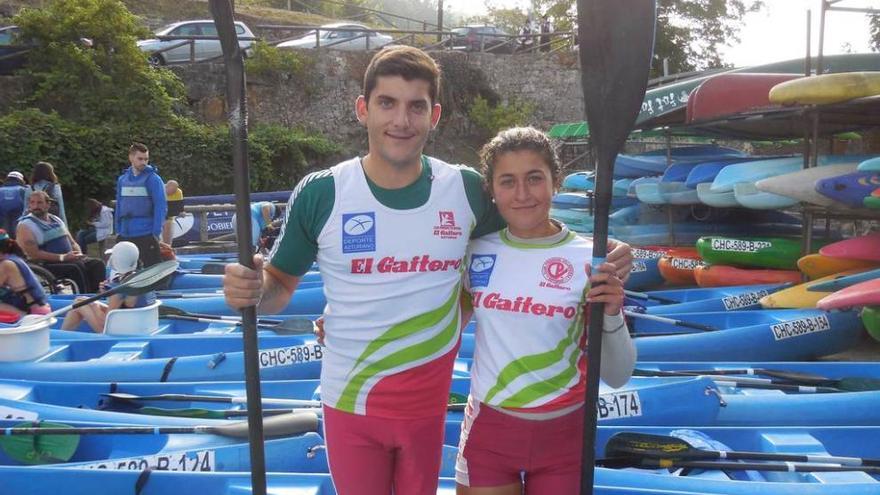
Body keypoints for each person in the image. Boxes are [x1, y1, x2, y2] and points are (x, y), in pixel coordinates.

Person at [222, 46, 633, 495]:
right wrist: (251, 290)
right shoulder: (323, 192)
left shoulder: (466, 189)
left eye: (416, 106)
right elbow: (278, 287)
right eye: (387, 103)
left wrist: (608, 249)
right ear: (363, 109)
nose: (402, 120)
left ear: (434, 115)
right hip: (349, 404)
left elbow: (529, 229)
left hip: (428, 408)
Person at [454, 127, 636, 494]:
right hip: (490, 431)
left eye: (534, 179)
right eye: (508, 181)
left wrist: (613, 312)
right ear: (491, 189)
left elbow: (617, 376)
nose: (522, 194)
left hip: (565, 437)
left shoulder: (593, 259)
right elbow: (435, 322)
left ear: (555, 182)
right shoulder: (473, 252)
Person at [16, 191, 105, 293]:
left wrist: (79, 254)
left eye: (39, 203)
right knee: (76, 267)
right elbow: (34, 254)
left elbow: (72, 242)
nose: (36, 206)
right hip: (45, 264)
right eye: (32, 202)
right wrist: (62, 257)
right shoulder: (26, 225)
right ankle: (84, 298)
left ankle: (98, 294)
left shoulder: (56, 220)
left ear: (48, 204)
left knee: (97, 264)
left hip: (68, 259)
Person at [60, 242, 155, 333]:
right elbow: (126, 306)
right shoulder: (143, 278)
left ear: (117, 260)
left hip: (121, 330)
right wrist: (105, 294)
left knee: (79, 303)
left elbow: (106, 322)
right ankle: (64, 334)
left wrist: (95, 306)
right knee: (82, 300)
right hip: (138, 323)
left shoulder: (119, 287)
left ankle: (62, 336)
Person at [115, 142, 167, 272]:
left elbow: (160, 207)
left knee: (152, 269)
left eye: (146, 159)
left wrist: (156, 232)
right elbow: (119, 205)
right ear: (131, 158)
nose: (144, 162)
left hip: (145, 232)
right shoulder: (122, 179)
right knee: (123, 270)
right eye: (140, 159)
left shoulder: (153, 179)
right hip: (125, 233)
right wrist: (117, 229)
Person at [0, 229, 51, 316]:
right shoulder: (13, 257)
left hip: (34, 312)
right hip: (40, 307)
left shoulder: (6, 265)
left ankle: (23, 317)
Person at [30, 161, 67, 226]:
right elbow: (61, 208)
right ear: (50, 173)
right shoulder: (55, 187)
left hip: (33, 222)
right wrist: (64, 226)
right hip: (51, 222)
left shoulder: (29, 188)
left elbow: (25, 209)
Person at [0, 171, 29, 237]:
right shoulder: (24, 190)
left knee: (3, 242)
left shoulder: (0, 190)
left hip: (2, 223)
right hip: (19, 222)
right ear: (21, 180)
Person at [162, 180, 184, 245]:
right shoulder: (159, 190)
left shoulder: (178, 192)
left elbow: (179, 205)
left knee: (168, 223)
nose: (171, 193)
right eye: (170, 190)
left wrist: (181, 211)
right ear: (166, 187)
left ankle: (167, 246)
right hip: (156, 215)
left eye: (174, 191)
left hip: (169, 216)